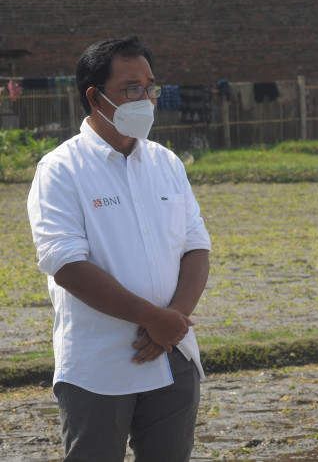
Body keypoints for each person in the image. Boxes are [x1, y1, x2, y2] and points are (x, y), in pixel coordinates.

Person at [27, 36, 211, 462]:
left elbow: (196, 248)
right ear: (95, 97)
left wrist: (174, 319)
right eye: (132, 89)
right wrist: (153, 319)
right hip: (99, 366)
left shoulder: (167, 163)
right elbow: (67, 265)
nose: (146, 99)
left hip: (172, 357)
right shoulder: (60, 170)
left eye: (150, 87)